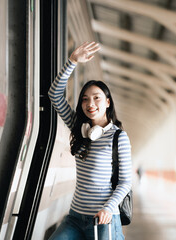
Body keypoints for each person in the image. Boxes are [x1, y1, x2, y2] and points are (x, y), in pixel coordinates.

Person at [47, 41, 132, 240]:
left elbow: (126, 181)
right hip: (75, 218)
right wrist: (72, 61)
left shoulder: (118, 137)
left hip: (104, 219)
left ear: (108, 102)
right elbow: (55, 94)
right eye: (85, 99)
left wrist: (108, 209)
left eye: (96, 98)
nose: (90, 103)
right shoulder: (79, 126)